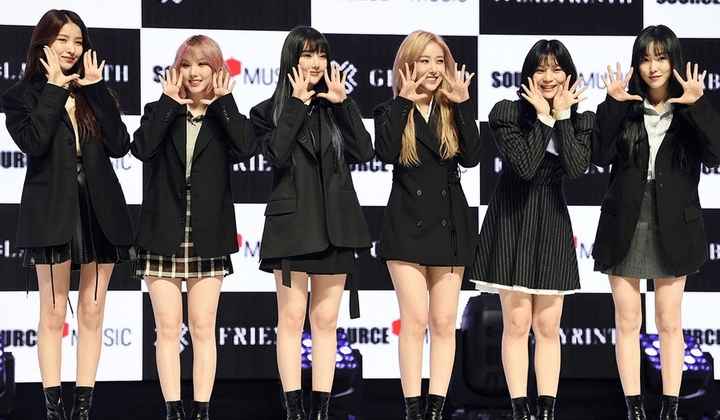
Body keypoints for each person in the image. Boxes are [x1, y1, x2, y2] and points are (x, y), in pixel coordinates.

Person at [1, 9, 135, 420]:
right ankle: (54, 410)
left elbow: (120, 144)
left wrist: (95, 90)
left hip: (99, 207)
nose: (72, 49)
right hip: (51, 209)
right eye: (63, 40)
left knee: (92, 312)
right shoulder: (20, 96)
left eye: (78, 41)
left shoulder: (94, 90)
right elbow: (34, 143)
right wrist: (54, 89)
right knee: (54, 312)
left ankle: (83, 409)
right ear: (43, 43)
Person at [591, 25, 720, 420]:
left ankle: (670, 409)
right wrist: (613, 103)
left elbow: (716, 154)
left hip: (675, 223)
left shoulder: (689, 109)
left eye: (661, 57)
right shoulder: (625, 106)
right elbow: (598, 155)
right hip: (625, 220)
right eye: (645, 58)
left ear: (673, 61)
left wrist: (698, 105)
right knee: (628, 320)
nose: (653, 67)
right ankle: (634, 409)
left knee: (669, 320)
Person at [249, 26, 373, 420]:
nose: (316, 62)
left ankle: (320, 411)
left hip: (336, 226)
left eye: (321, 54)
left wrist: (344, 103)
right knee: (290, 319)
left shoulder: (335, 106)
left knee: (325, 321)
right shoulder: (267, 112)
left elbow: (364, 151)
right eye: (307, 54)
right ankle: (294, 410)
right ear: (291, 59)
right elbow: (277, 154)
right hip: (292, 228)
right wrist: (296, 105)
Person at [131, 35, 256, 420]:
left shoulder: (225, 115)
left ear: (217, 69)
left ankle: (201, 411)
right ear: (176, 69)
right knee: (168, 328)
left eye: (202, 64)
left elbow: (246, 148)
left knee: (203, 328)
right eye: (186, 64)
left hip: (208, 234)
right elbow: (142, 149)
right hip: (162, 230)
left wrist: (225, 102)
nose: (194, 72)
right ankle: (173, 411)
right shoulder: (160, 109)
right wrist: (169, 103)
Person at [469, 39, 592, 420]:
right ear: (528, 75)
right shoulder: (507, 113)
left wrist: (563, 117)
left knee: (548, 325)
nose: (548, 77)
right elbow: (524, 166)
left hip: (551, 218)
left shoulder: (582, 120)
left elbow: (576, 168)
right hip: (513, 217)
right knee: (518, 322)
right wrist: (543, 118)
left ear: (568, 75)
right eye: (540, 70)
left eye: (556, 69)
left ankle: (547, 410)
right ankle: (520, 410)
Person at [373, 30, 482, 420]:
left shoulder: (452, 109)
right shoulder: (390, 110)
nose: (433, 69)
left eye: (440, 61)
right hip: (406, 226)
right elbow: (386, 152)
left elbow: (472, 157)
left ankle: (435, 409)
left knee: (444, 321)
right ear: (408, 65)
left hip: (450, 227)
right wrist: (404, 101)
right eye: (425, 61)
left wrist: (464, 104)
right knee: (415, 319)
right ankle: (413, 409)